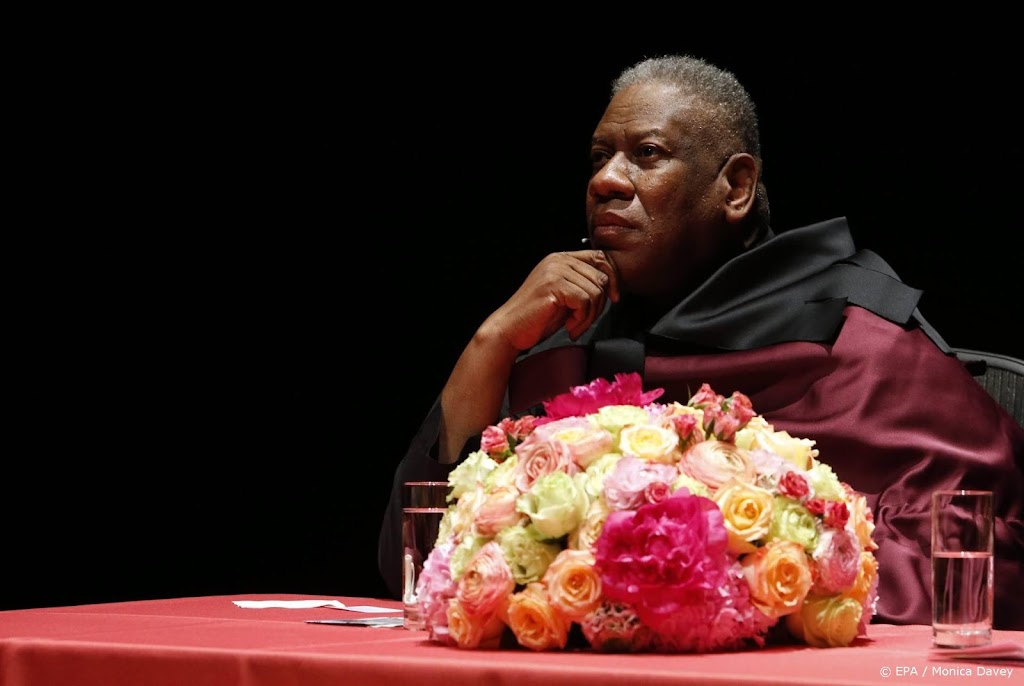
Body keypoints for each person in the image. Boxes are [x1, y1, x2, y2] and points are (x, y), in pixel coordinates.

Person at [377, 54, 1024, 630]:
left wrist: (728, 563)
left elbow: (984, 556)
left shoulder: (856, 340)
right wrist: (490, 343)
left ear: (736, 187)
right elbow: (417, 564)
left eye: (646, 153)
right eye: (599, 157)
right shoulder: (558, 339)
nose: (606, 180)